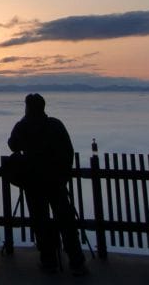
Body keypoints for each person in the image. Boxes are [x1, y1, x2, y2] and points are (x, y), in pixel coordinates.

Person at [8, 94, 87, 275]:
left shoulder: (23, 126)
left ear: (28, 108)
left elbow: (12, 145)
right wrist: (63, 175)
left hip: (34, 183)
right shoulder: (55, 125)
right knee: (66, 220)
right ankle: (76, 260)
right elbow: (68, 151)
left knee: (40, 221)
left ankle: (48, 260)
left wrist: (23, 121)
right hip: (55, 182)